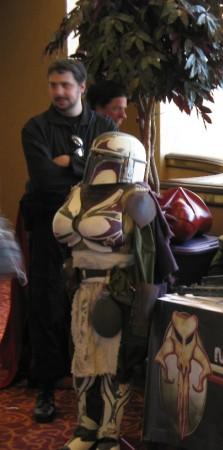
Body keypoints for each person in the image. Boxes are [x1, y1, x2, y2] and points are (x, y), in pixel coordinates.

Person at [53, 131, 177, 450]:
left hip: (118, 291)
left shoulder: (136, 197)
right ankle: (86, 427)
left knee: (114, 365)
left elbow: (152, 258)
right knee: (83, 361)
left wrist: (143, 312)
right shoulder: (78, 191)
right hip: (82, 289)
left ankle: (109, 432)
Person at [19, 59, 117, 423]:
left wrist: (67, 162)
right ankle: (45, 387)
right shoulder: (35, 129)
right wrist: (84, 166)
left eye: (65, 85)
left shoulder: (104, 128)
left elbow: (110, 177)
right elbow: (44, 180)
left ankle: (95, 387)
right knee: (47, 303)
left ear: (82, 87)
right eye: (53, 85)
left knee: (94, 303)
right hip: (48, 225)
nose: (58, 92)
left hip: (94, 228)